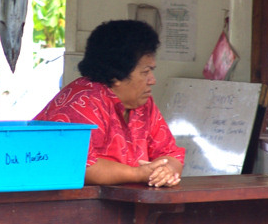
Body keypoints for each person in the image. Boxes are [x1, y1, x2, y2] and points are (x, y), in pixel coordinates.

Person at [34, 19, 185, 187]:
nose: (152, 80)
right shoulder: (83, 102)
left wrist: (167, 171)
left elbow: (170, 153)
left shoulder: (143, 104)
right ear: (116, 75)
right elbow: (80, 165)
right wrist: (137, 174)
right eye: (145, 72)